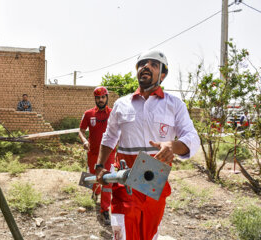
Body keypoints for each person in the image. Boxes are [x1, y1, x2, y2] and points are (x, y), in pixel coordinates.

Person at [94, 50, 200, 240]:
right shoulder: (122, 104)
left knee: (149, 234)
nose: (147, 66)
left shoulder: (174, 104)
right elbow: (109, 137)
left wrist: (172, 146)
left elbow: (192, 136)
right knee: (124, 233)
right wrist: (100, 166)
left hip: (155, 178)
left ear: (163, 74)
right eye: (143, 63)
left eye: (154, 64)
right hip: (124, 178)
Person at [79, 86, 116, 225]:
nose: (101, 100)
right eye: (98, 98)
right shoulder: (88, 114)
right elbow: (81, 131)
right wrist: (84, 140)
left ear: (107, 97)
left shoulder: (113, 113)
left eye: (103, 97)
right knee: (94, 177)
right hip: (93, 153)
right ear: (95, 99)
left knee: (107, 180)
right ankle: (95, 191)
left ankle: (105, 209)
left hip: (109, 154)